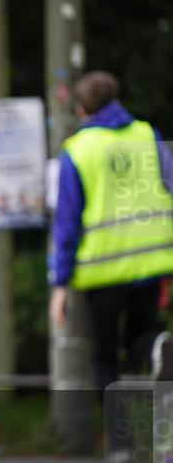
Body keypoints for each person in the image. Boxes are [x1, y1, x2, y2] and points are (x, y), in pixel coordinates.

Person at [49, 71, 173, 413]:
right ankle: (156, 348)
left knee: (104, 357)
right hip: (153, 262)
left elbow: (67, 222)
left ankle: (122, 446)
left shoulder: (77, 150)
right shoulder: (148, 134)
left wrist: (59, 283)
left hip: (101, 270)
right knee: (141, 340)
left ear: (82, 109)